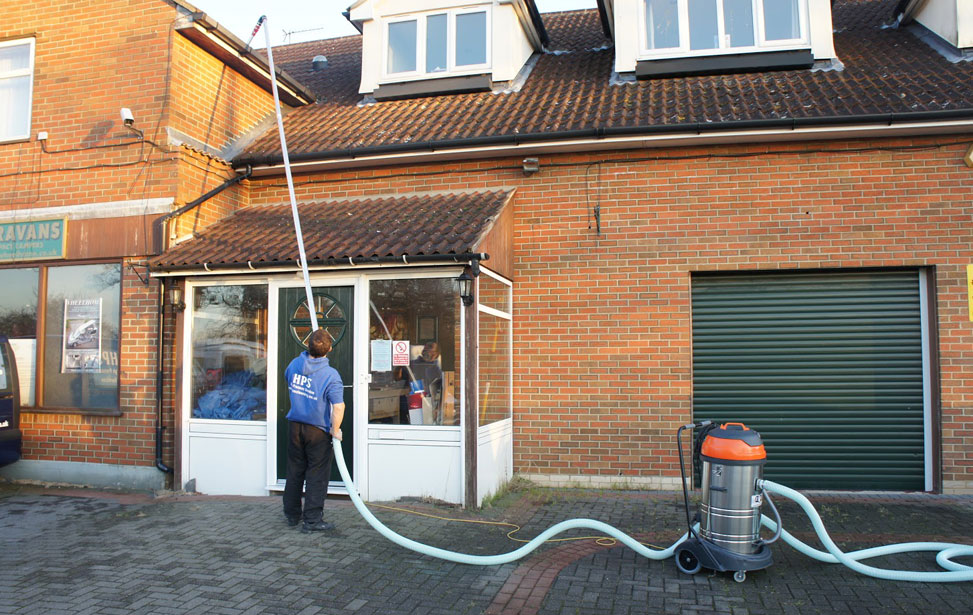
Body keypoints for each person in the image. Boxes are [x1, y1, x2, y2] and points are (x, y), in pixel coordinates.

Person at [283, 328, 344, 533]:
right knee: (316, 475)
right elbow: (338, 407)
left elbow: (288, 380)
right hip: (317, 431)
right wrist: (335, 429)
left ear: (307, 345)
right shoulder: (331, 375)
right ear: (330, 349)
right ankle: (312, 521)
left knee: (294, 471)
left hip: (295, 427)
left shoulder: (294, 364)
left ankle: (292, 515)